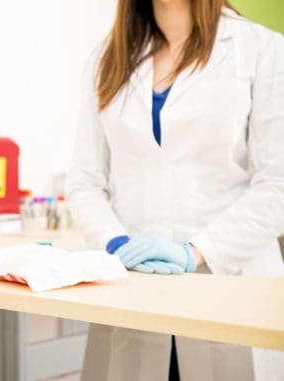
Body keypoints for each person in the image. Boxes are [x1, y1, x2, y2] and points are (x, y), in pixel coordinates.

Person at [66, 0, 284, 380]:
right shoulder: (108, 56)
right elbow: (84, 181)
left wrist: (196, 252)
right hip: (133, 286)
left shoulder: (261, 50)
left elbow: (278, 184)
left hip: (229, 285)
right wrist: (116, 244)